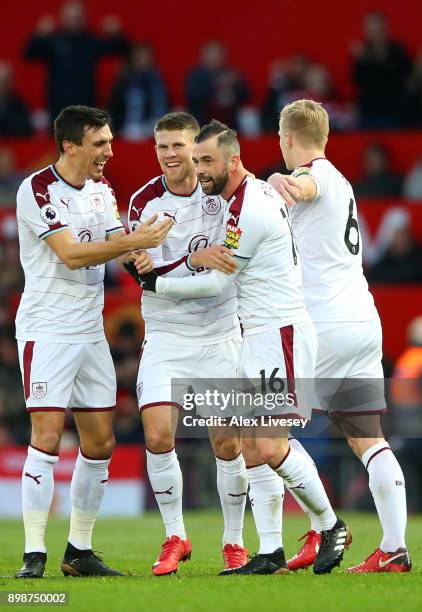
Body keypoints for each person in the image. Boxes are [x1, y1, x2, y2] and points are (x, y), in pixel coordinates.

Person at [134, 120, 350, 576]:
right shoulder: (247, 196)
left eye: (206, 160)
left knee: (269, 446)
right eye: (197, 160)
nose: (199, 168)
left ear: (233, 159)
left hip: (280, 333)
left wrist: (155, 280)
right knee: (253, 448)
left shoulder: (247, 209)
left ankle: (330, 525)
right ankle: (269, 550)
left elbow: (214, 281)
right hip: (256, 335)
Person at [14, 104, 172, 579]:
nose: (109, 150)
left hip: (89, 331)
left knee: (100, 443)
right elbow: (71, 254)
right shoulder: (37, 189)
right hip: (47, 330)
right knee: (45, 438)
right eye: (99, 142)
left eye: (108, 140)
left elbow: (121, 243)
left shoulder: (102, 192)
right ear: (70, 146)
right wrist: (129, 243)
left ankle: (78, 550)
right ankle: (33, 555)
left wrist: (145, 255)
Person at [268, 99, 410, 573]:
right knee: (366, 437)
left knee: (265, 428)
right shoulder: (345, 182)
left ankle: (323, 527)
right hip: (363, 322)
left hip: (323, 323)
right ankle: (393, 548)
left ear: (287, 139)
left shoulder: (318, 177)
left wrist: (280, 184)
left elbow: (303, 187)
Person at [126, 112, 248, 576]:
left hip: (220, 333)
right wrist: (190, 259)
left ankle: (234, 541)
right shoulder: (144, 201)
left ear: (196, 147)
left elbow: (226, 269)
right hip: (165, 334)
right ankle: (175, 535)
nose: (171, 155)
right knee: (158, 434)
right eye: (162, 147)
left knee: (227, 441)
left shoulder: (220, 196)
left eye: (178, 145)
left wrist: (167, 267)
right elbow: (141, 272)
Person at [24, 0, 129, 121]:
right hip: (58, 108)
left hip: (87, 107)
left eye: (78, 17)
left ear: (84, 17)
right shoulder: (52, 40)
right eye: (71, 17)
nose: (74, 21)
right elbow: (29, 55)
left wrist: (118, 34)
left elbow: (122, 50)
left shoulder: (91, 40)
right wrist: (38, 35)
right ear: (62, 17)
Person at [109, 42, 169, 140]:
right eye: (140, 56)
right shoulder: (123, 80)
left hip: (152, 129)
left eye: (146, 56)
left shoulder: (157, 80)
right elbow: (114, 105)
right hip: (126, 129)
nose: (143, 60)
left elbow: (165, 103)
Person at [185, 41, 250, 128]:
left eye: (217, 56)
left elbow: (246, 95)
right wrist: (216, 85)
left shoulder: (230, 73)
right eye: (211, 56)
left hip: (230, 118)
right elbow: (193, 97)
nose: (214, 59)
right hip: (203, 117)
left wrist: (234, 86)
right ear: (203, 57)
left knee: (248, 115)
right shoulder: (196, 75)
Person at [0, 62, 33, 137]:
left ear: (11, 82)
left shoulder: (19, 105)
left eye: (4, 80)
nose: (1, 84)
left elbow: (24, 129)